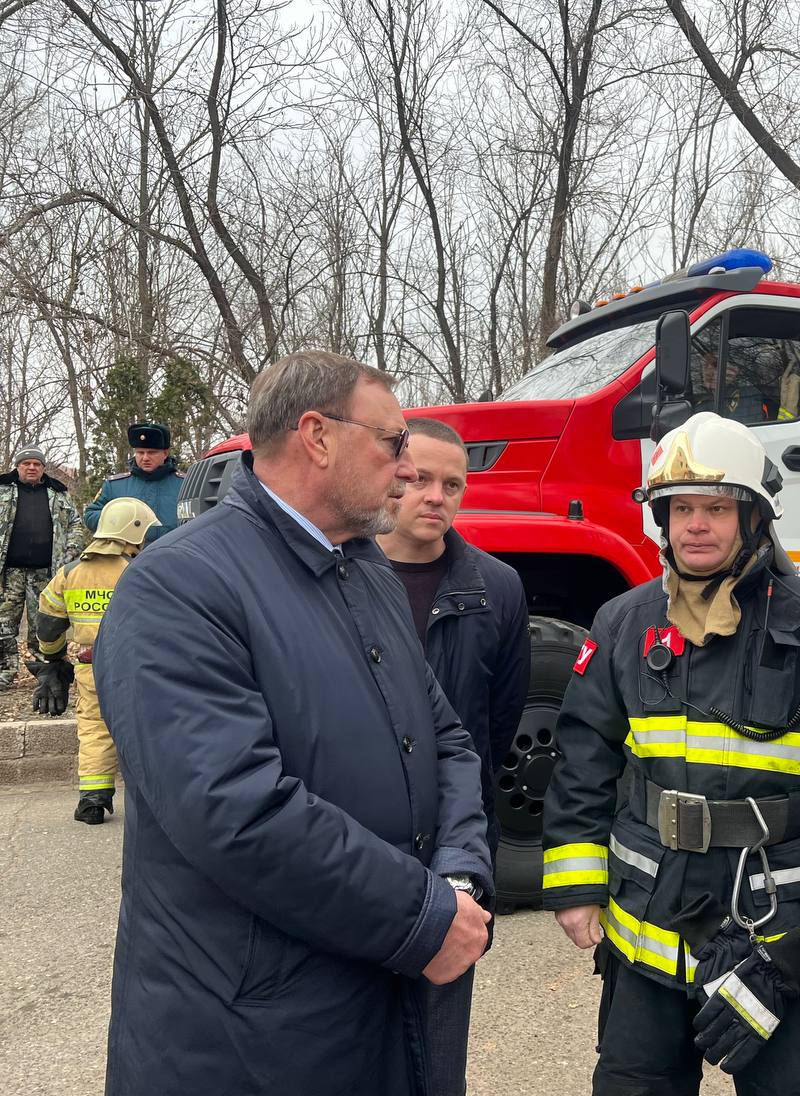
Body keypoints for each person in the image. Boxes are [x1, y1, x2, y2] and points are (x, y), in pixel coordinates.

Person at [93, 351, 493, 1096]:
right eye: (393, 442)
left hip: (377, 1004)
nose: (407, 470)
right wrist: (422, 917)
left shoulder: (365, 570)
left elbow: (445, 740)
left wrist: (460, 876)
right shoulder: (178, 585)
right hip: (250, 1041)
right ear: (316, 435)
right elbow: (233, 810)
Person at [542, 411, 800, 1096]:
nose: (696, 524)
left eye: (716, 507)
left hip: (778, 933)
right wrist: (575, 886)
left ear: (754, 517)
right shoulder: (624, 622)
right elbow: (584, 758)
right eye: (681, 507)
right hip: (646, 923)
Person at [377, 416, 530, 1096]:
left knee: (438, 1047)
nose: (435, 496)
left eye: (453, 484)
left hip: (451, 855)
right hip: (358, 841)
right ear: (387, 477)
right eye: (417, 479)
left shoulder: (497, 589)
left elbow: (497, 725)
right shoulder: (338, 576)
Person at [29, 497, 158, 824]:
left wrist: (54, 657)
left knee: (95, 728)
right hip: (136, 668)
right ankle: (155, 799)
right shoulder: (139, 570)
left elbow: (48, 621)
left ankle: (93, 800)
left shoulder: (70, 573)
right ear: (133, 532)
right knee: (143, 728)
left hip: (91, 668)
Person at [0, 446, 84, 688]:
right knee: (3, 623)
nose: (31, 467)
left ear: (43, 468)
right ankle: (4, 673)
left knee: (44, 623)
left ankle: (46, 673)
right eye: (26, 464)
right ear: (18, 466)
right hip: (8, 574)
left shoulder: (58, 493)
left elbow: (76, 525)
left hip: (46, 572)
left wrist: (69, 553)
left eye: (37, 464)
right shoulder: (3, 490)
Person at [84, 422, 183, 542]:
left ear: (165, 453)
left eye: (151, 452)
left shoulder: (186, 484)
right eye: (140, 452)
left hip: (174, 556)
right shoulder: (115, 486)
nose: (145, 458)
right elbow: (90, 516)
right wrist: (118, 517)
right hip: (127, 558)